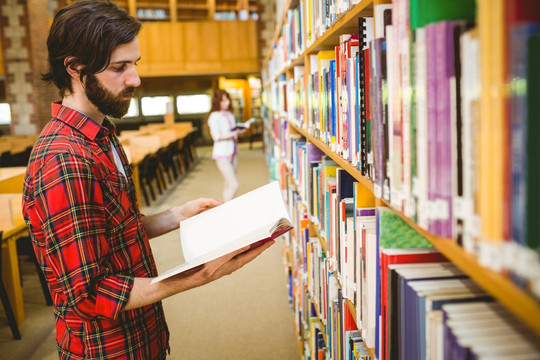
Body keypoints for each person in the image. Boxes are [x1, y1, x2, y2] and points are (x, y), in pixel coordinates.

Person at [21, 1, 274, 359]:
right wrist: (196, 276)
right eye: (119, 67)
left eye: (134, 64)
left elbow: (108, 230)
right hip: (107, 349)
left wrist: (174, 217)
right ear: (76, 69)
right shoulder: (65, 161)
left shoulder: (101, 135)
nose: (135, 79)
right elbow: (89, 293)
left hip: (141, 333)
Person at [207, 89, 246, 202]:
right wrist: (234, 133)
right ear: (217, 102)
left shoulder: (229, 114)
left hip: (233, 151)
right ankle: (225, 209)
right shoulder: (214, 116)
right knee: (234, 185)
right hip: (222, 153)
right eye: (223, 101)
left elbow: (230, 129)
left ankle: (225, 206)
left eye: (227, 100)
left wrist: (238, 129)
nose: (227, 103)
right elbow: (216, 136)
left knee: (228, 183)